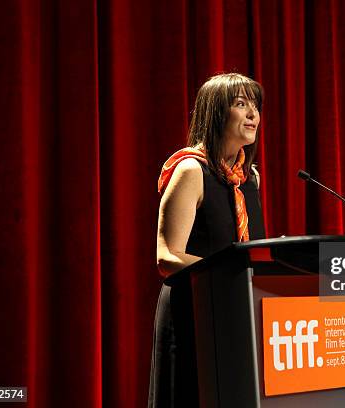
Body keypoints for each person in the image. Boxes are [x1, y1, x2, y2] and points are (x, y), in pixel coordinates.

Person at [148, 73, 266, 407]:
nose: (252, 114)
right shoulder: (191, 170)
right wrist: (229, 276)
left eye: (255, 105)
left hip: (234, 313)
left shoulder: (249, 178)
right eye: (241, 104)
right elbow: (167, 256)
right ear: (216, 113)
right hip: (193, 315)